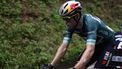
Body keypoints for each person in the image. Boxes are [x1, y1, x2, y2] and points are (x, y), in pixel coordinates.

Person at [42, 1, 114, 69]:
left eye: (67, 19)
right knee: (79, 64)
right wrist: (51, 65)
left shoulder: (90, 22)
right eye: (64, 19)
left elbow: (90, 49)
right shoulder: (71, 27)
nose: (65, 23)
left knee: (99, 66)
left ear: (76, 16)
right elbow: (63, 48)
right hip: (97, 45)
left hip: (110, 43)